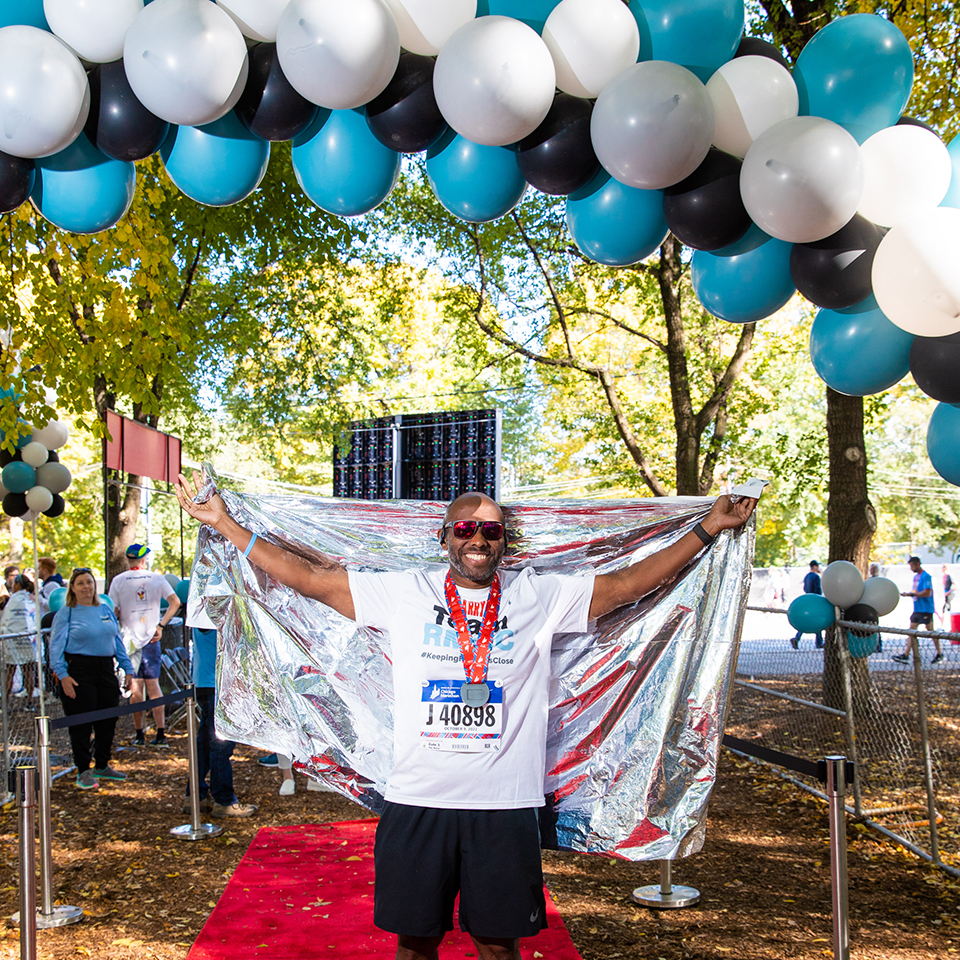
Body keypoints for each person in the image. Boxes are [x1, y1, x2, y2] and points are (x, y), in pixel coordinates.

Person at [176, 472, 757, 960]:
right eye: (466, 527)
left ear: (505, 540)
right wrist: (223, 522)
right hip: (418, 801)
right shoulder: (406, 591)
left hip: (503, 806)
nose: (478, 537)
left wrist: (709, 527)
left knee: (499, 947)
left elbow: (629, 583)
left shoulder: (537, 595)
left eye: (491, 529)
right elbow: (309, 579)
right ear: (445, 536)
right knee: (415, 944)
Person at [50, 568, 134, 790]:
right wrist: (63, 676)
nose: (86, 587)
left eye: (89, 582)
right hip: (78, 670)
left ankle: (102, 764)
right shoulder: (66, 613)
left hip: (105, 669)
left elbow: (117, 641)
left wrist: (128, 668)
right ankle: (83, 770)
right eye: (80, 583)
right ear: (73, 588)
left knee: (108, 718)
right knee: (81, 722)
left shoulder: (104, 609)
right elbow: (55, 648)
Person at [108, 544, 180, 747]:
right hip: (150, 638)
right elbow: (175, 602)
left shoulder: (118, 580)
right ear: (144, 559)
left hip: (129, 640)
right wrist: (161, 625)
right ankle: (160, 733)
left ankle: (139, 734)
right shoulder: (156, 578)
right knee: (154, 685)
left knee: (136, 688)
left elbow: (113, 611)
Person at [185, 617, 258, 818]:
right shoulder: (208, 613)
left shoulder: (203, 609)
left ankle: (195, 795)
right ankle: (223, 799)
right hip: (216, 684)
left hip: (207, 682)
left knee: (205, 743)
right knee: (220, 743)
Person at [893, 557, 942, 665]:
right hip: (917, 608)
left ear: (918, 564)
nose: (911, 568)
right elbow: (916, 590)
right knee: (911, 630)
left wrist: (913, 594)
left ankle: (939, 652)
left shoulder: (926, 576)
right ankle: (906, 654)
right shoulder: (916, 577)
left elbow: (927, 593)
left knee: (930, 630)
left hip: (925, 608)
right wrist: (909, 594)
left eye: (912, 566)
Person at [0, 573, 38, 699]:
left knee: (9, 671)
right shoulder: (29, 599)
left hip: (12, 639)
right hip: (28, 639)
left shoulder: (14, 600)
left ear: (17, 584)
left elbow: (6, 620)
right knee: (28, 671)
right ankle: (29, 702)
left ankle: (4, 703)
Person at [790, 561, 823, 650]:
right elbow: (817, 589)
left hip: (808, 599)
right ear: (815, 567)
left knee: (808, 621)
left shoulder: (807, 576)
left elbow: (805, 588)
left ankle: (797, 638)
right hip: (815, 600)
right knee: (817, 620)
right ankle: (819, 642)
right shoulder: (816, 577)